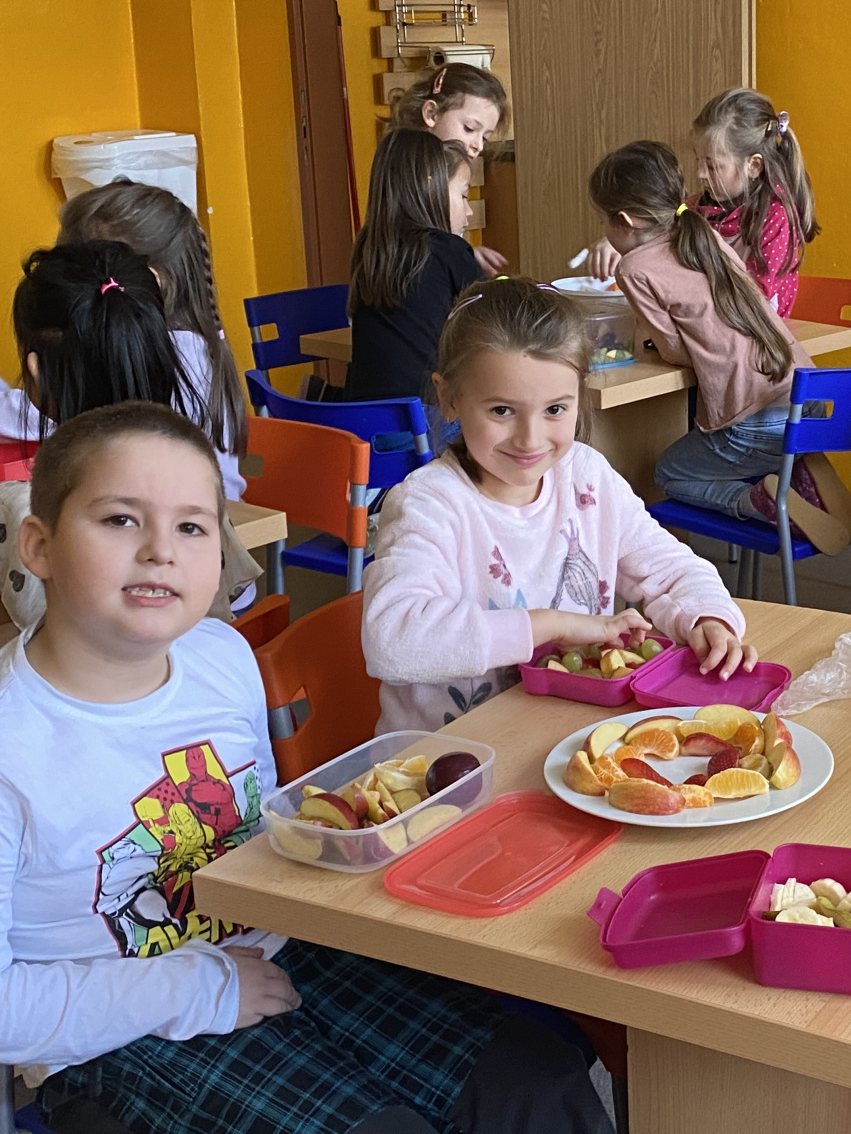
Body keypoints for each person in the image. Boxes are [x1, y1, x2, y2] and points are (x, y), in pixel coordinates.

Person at [2, 401, 614, 1134]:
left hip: (285, 948)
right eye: (120, 519)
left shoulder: (220, 657)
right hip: (114, 1030)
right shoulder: (14, 743)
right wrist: (197, 989)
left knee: (533, 1080)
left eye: (192, 526)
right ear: (38, 545)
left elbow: (265, 842)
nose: (161, 550)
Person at [362, 276, 755, 733]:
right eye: (501, 411)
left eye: (555, 410)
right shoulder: (427, 504)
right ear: (449, 399)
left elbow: (672, 569)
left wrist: (707, 617)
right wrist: (553, 626)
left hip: (562, 733)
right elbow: (391, 640)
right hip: (450, 755)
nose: (530, 440)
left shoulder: (586, 476)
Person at [590, 139, 851, 554]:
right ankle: (796, 470)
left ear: (625, 220)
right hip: (806, 403)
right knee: (739, 447)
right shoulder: (706, 236)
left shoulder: (635, 267)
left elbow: (675, 351)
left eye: (603, 222)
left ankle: (760, 501)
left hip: (755, 421)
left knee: (669, 473)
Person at [0, 242, 259, 637]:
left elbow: (27, 641)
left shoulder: (24, 510)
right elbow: (227, 603)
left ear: (36, 372)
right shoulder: (193, 478)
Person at [54, 178, 251, 501]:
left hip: (202, 520)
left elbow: (43, 413)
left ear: (149, 282)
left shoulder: (177, 353)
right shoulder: (181, 344)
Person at [585, 89, 819, 319]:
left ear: (753, 166)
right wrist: (619, 236)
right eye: (698, 160)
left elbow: (754, 300)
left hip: (754, 332)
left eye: (712, 166)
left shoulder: (776, 216)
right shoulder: (694, 207)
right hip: (702, 324)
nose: (699, 173)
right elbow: (654, 231)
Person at [345, 128, 480, 403]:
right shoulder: (449, 249)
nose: (469, 211)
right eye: (464, 196)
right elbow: (495, 317)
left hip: (361, 418)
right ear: (430, 186)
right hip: (425, 418)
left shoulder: (369, 249)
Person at [390, 62, 510, 274]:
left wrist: (467, 254)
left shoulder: (450, 172)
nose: (478, 145)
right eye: (469, 128)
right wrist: (458, 257)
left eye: (485, 137)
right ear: (432, 114)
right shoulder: (411, 173)